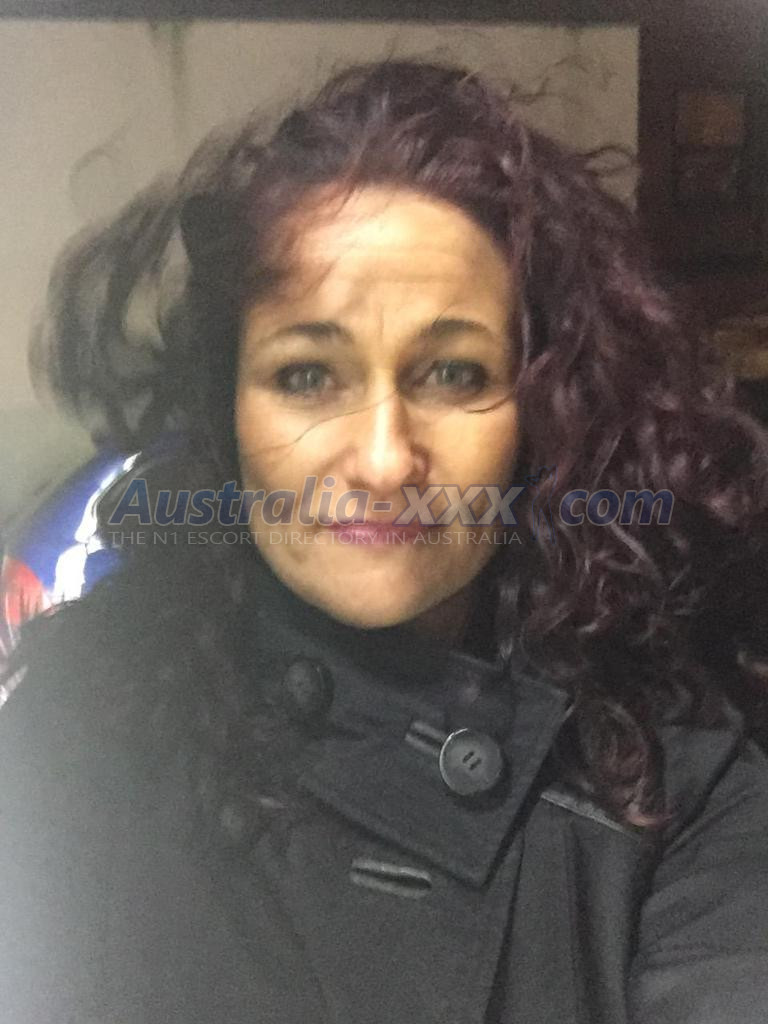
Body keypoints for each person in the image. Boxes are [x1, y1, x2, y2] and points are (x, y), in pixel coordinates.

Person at [2, 59, 768, 1024]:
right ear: (226, 409)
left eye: (453, 373)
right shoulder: (83, 717)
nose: (381, 460)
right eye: (306, 376)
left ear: (542, 411)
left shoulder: (679, 782)